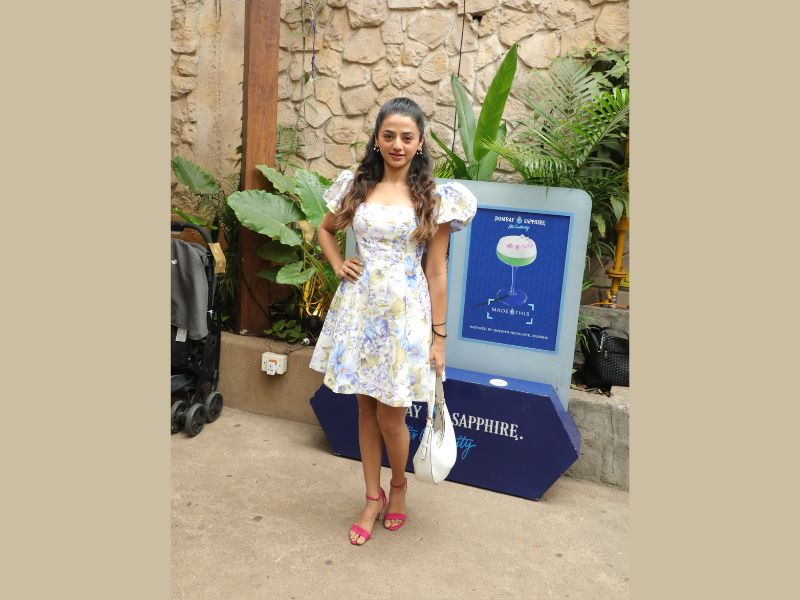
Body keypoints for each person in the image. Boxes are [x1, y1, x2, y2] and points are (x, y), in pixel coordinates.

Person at [309, 97, 477, 546]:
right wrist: (338, 263)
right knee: (365, 408)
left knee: (392, 416)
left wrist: (439, 338)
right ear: (377, 140)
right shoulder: (357, 187)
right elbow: (325, 229)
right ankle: (372, 496)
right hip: (360, 311)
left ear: (420, 142)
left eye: (406, 137)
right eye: (389, 136)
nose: (397, 145)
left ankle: (398, 485)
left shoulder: (435, 200)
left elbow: (436, 272)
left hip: (406, 317)